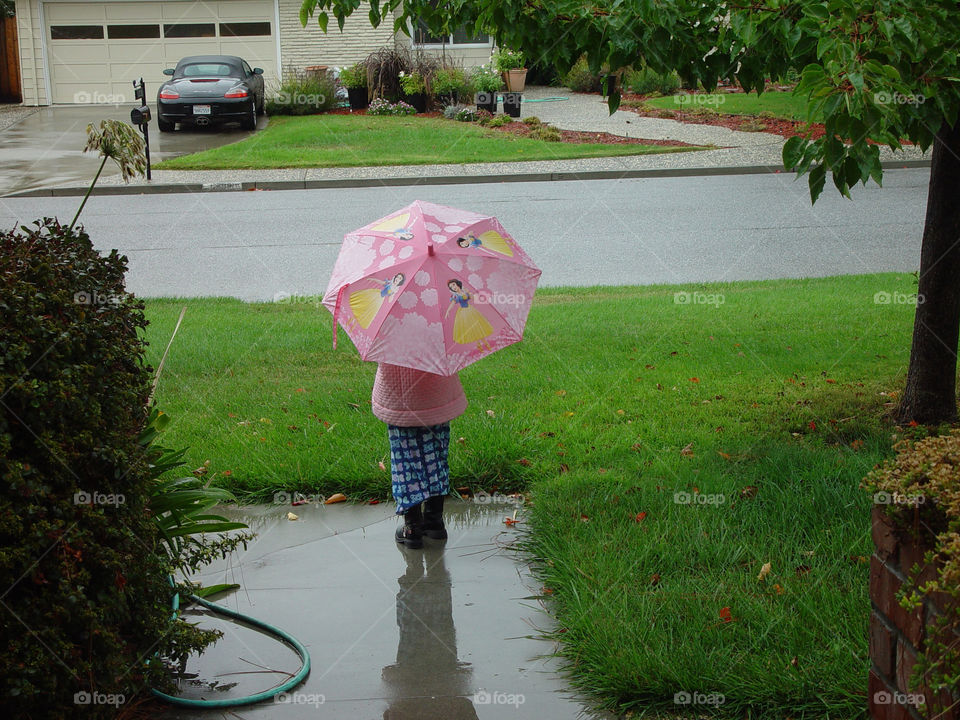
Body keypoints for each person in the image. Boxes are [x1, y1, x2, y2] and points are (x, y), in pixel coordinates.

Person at [371, 363, 467, 549]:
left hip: (400, 401)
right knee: (436, 458)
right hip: (436, 399)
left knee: (405, 463)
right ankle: (435, 522)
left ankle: (412, 528)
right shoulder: (438, 333)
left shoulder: (390, 334)